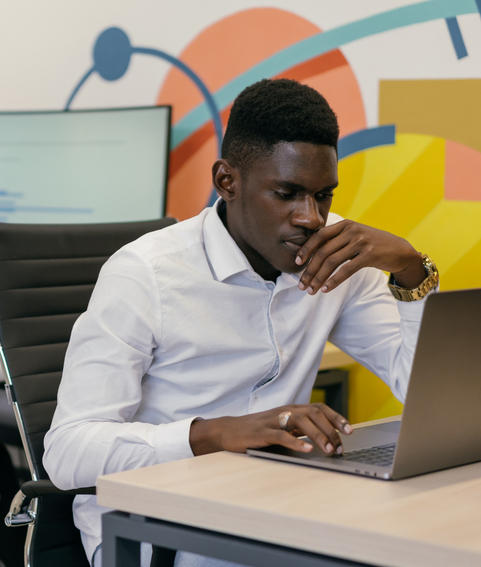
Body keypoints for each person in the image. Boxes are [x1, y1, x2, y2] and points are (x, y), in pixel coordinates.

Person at [44, 78, 439, 567]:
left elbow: (425, 392)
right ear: (227, 181)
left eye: (323, 196)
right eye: (287, 193)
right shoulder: (144, 274)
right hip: (152, 529)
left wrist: (411, 271)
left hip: (273, 502)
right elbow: (67, 453)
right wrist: (217, 433)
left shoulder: (334, 259)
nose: (311, 218)